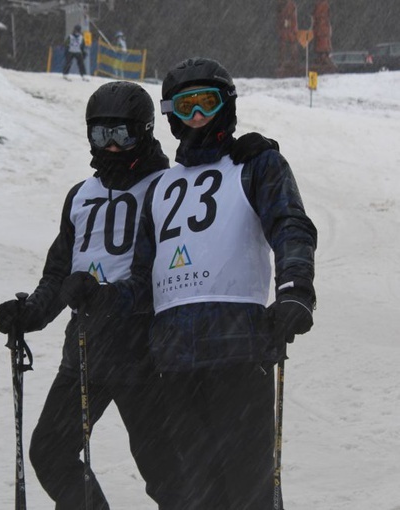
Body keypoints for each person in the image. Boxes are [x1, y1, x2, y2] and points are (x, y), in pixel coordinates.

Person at [0, 81, 278, 509]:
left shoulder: (167, 185)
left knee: (169, 476)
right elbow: (58, 273)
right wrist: (30, 313)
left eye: (121, 135)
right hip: (86, 349)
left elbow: (209, 185)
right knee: (49, 452)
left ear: (145, 132)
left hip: (145, 353)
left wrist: (251, 149)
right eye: (99, 135)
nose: (110, 148)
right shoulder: (80, 195)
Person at [77, 57, 316, 508]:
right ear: (170, 116)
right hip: (175, 359)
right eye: (186, 107)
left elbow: (291, 226)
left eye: (207, 103)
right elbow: (144, 282)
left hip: (239, 347)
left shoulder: (255, 164)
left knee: (248, 488)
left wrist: (295, 290)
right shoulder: (162, 188)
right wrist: (102, 296)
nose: (198, 118)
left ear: (227, 105)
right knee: (196, 492)